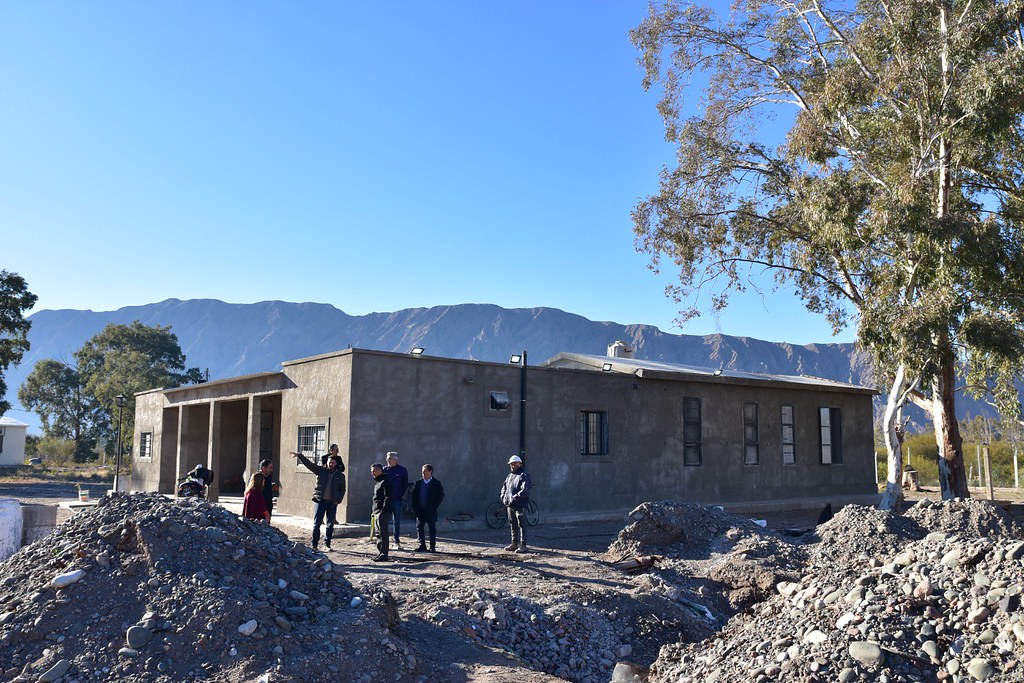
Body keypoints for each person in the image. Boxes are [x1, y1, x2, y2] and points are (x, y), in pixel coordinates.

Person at [289, 449, 346, 550]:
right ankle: (314, 545)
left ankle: (327, 544)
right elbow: (309, 465)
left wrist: (338, 500)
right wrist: (300, 456)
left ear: (336, 464)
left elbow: (342, 489)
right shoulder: (321, 471)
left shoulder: (340, 476)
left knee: (330, 525)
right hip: (320, 501)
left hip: (332, 503)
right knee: (317, 524)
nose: (331, 464)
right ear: (327, 462)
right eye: (330, 462)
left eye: (333, 463)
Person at [500, 454, 532, 553]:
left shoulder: (524, 475)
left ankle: (523, 545)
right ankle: (514, 543)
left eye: (514, 463)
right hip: (510, 504)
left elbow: (524, 490)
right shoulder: (509, 476)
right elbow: (504, 488)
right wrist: (503, 497)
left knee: (521, 524)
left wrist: (514, 498)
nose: (512, 465)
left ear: (520, 464)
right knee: (512, 524)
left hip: (519, 505)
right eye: (511, 464)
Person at [411, 464, 445, 552]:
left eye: (425, 471)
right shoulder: (419, 482)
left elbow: (440, 496)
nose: (423, 473)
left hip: (431, 510)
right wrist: (415, 507)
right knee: (419, 527)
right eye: (422, 471)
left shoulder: (436, 483)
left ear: (430, 472)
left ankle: (432, 546)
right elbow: (414, 496)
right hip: (420, 509)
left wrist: (434, 506)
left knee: (432, 528)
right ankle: (422, 545)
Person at [383, 452, 408, 548]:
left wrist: (400, 494)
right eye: (387, 458)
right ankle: (384, 540)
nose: (388, 460)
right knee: (384, 520)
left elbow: (405, 484)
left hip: (397, 499)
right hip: (386, 500)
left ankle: (396, 540)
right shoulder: (384, 470)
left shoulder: (402, 470)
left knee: (396, 520)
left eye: (390, 458)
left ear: (396, 460)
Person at [370, 462, 390, 561]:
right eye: (372, 471)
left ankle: (384, 554)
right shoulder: (378, 482)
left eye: (374, 471)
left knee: (383, 533)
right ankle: (380, 552)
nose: (372, 473)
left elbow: (388, 497)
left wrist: (383, 510)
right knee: (378, 534)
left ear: (379, 470)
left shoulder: (385, 481)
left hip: (382, 512)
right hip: (377, 511)